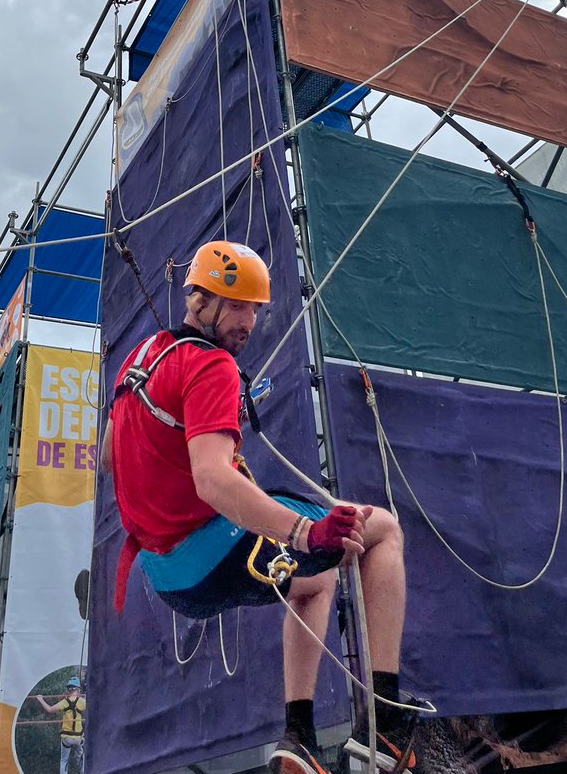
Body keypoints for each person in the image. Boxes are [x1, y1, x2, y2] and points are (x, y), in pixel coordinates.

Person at [102, 241, 430, 774]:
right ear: (199, 299)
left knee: (316, 582)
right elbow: (210, 479)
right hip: (211, 552)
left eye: (255, 307)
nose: (248, 320)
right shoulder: (211, 367)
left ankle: (297, 736)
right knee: (384, 530)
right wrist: (305, 533)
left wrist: (167, 477)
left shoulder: (138, 360)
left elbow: (109, 458)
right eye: (235, 304)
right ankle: (386, 725)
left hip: (165, 576)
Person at [36, 677, 86, 774]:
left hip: (66, 737)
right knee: (81, 758)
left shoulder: (64, 702)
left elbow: (50, 710)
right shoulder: (82, 702)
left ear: (69, 690)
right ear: (78, 690)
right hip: (78, 737)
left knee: (64, 761)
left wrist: (41, 699)